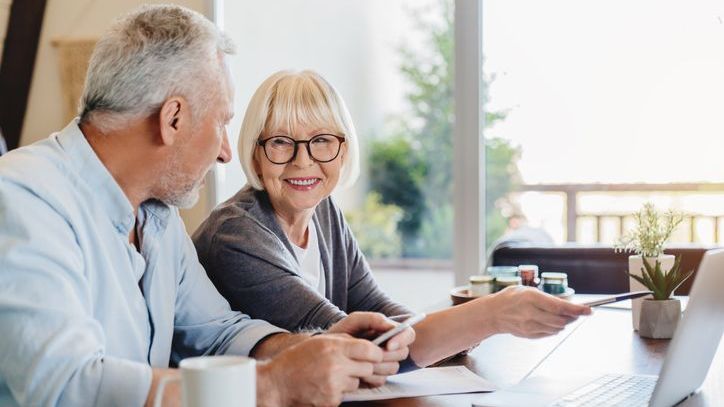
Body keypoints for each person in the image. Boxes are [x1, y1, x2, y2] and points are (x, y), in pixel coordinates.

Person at [0, 6, 414, 407]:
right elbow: (64, 386)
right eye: (221, 123)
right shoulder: (22, 198)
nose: (225, 153)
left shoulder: (158, 217)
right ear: (173, 119)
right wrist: (270, 386)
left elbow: (218, 332)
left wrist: (311, 347)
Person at [192, 70, 592, 370]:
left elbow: (376, 307)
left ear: (343, 150)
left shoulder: (324, 212)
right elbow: (356, 344)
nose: (303, 160)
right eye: (281, 142)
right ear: (256, 152)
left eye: (322, 141)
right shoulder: (236, 235)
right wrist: (490, 315)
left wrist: (451, 335)